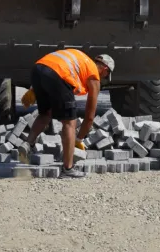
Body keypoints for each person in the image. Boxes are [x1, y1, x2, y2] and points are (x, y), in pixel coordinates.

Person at [20, 49, 115, 178]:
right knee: (70, 122)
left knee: (46, 113)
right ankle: (68, 169)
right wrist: (78, 139)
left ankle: (28, 144)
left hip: (37, 70)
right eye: (105, 75)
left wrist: (33, 89)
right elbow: (89, 117)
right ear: (105, 68)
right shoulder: (94, 76)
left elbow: (52, 66)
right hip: (57, 75)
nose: (103, 78)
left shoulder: (82, 60)